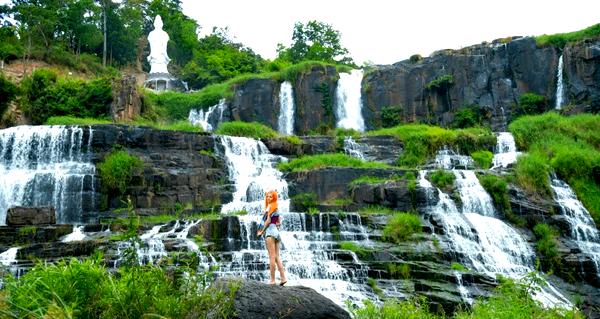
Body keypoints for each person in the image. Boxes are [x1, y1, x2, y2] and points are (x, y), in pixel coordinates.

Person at [257, 190, 287, 286]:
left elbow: (268, 221)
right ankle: (283, 278)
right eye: (267, 197)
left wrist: (261, 230)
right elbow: (279, 222)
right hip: (277, 233)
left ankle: (272, 280)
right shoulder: (276, 208)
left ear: (274, 197)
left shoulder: (270, 208)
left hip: (270, 232)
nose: (268, 198)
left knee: (272, 257)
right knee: (277, 257)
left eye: (270, 196)